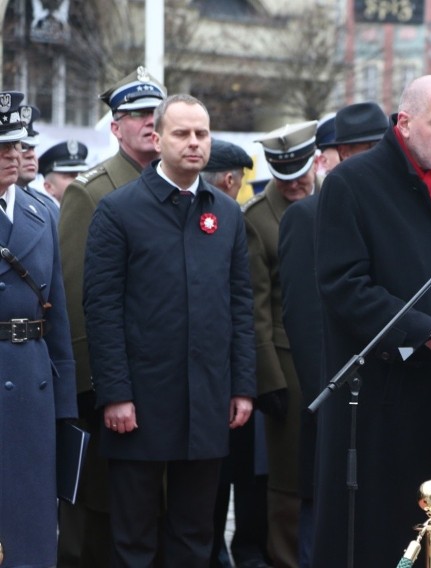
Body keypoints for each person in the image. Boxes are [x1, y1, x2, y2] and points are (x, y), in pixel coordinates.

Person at [312, 75, 431, 568]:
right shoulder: (353, 184)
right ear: (404, 122)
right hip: (382, 395)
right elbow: (344, 285)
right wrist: (425, 330)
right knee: (386, 532)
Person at [83, 94, 256, 566]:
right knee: (134, 537)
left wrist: (242, 385)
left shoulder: (226, 213)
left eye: (202, 133)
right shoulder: (118, 211)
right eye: (182, 133)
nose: (194, 143)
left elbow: (241, 305)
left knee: (195, 535)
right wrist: (116, 393)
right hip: (140, 399)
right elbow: (101, 308)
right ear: (157, 140)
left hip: (206, 397)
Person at [57, 65, 166, 568]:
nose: (149, 122)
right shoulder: (92, 192)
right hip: (110, 384)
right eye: (137, 115)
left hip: (165, 382)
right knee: (96, 516)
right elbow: (78, 296)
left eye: (155, 113)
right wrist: (93, 388)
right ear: (115, 127)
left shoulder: (180, 187)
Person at [277, 101, 387, 568]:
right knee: (325, 521)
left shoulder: (392, 213)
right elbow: (304, 321)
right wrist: (329, 392)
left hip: (387, 397)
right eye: (360, 151)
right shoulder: (307, 217)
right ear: (332, 156)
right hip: (335, 395)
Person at [0, 90, 77, 568]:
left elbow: (59, 315)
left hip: (32, 384)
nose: (11, 155)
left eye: (15, 145)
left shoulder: (41, 211)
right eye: (0, 146)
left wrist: (64, 405)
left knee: (29, 528)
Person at [243, 120, 319, 568]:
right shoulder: (256, 219)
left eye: (301, 173)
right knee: (289, 478)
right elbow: (257, 308)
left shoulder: (336, 202)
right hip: (287, 366)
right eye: (284, 176)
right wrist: (268, 379)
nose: (294, 184)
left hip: (341, 357)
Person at [202, 139, 269, 568]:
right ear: (230, 180)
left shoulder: (229, 221)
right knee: (223, 478)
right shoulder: (234, 223)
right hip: (226, 377)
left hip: (229, 377)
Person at [38, 140, 89, 206]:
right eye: (69, 175)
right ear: (49, 187)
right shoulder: (44, 214)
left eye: (81, 173)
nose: (78, 179)